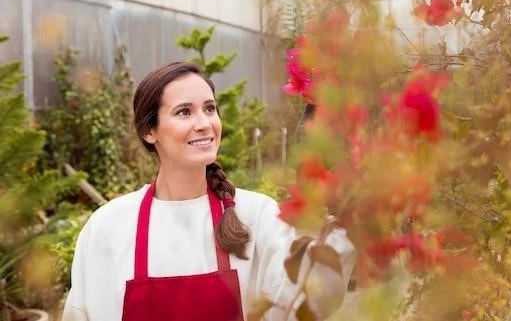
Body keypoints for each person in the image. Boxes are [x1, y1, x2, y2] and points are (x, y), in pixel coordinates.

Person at [62, 61, 355, 321]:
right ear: (149, 131)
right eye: (184, 112)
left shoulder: (257, 216)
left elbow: (302, 303)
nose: (204, 124)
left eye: (210, 108)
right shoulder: (109, 226)